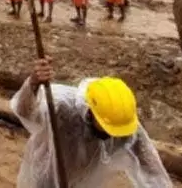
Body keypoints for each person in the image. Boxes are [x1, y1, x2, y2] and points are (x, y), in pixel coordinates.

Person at [11, 58, 171, 187]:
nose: (112, 135)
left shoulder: (122, 121)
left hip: (84, 178)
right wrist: (33, 83)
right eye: (108, 129)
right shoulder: (62, 106)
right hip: (46, 173)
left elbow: (151, 167)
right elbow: (25, 111)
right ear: (92, 112)